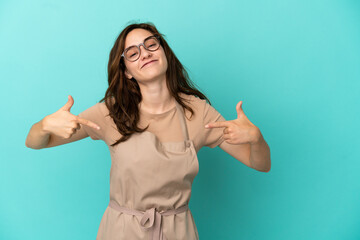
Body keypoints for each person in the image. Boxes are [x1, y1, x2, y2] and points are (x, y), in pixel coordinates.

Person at [25, 22, 271, 240]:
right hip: (121, 232)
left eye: (151, 44)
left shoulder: (198, 112)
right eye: (133, 53)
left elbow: (260, 163)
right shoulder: (111, 112)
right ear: (127, 72)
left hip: (179, 232)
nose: (144, 53)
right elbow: (35, 142)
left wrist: (256, 139)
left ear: (164, 51)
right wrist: (44, 125)